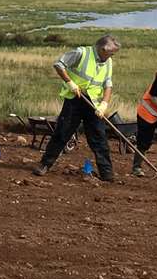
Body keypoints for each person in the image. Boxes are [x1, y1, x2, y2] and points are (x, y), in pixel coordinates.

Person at [32, 35, 118, 182]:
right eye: (111, 53)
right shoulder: (81, 53)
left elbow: (108, 84)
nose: (112, 56)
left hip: (94, 104)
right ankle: (45, 164)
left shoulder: (108, 62)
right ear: (103, 49)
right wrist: (70, 83)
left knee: (99, 137)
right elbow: (59, 65)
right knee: (62, 132)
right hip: (75, 100)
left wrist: (104, 104)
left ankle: (106, 173)